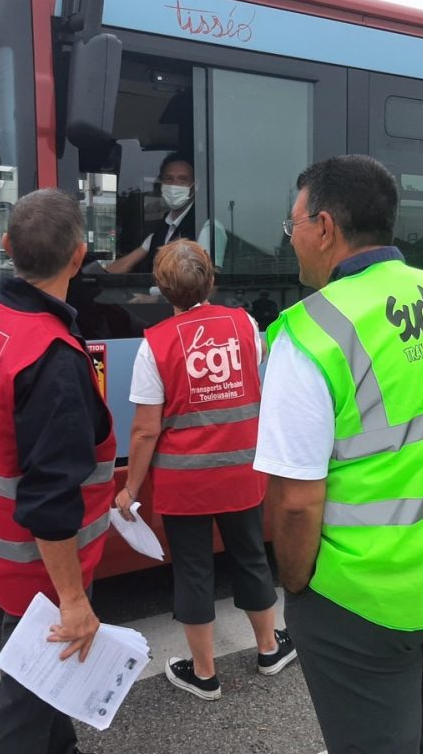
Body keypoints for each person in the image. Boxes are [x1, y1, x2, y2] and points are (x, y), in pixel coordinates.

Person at [254, 155, 423, 754]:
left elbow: (294, 501)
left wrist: (296, 584)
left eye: (292, 227)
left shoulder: (310, 333)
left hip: (365, 597)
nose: (291, 242)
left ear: (324, 227)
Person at [0, 188, 117, 754]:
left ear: (6, 248)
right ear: (80, 256)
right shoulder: (51, 357)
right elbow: (52, 499)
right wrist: (73, 600)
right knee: (26, 697)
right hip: (40, 563)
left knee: (48, 683)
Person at [113, 239, 296, 700]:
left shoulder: (153, 345)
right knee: (251, 556)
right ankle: (269, 649)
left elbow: (144, 432)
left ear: (161, 289)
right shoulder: (246, 324)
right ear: (210, 280)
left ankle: (204, 673)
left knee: (193, 571)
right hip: (242, 474)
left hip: (185, 483)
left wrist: (129, 487)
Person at [106, 152, 227, 273]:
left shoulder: (206, 227)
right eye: (169, 179)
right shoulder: (162, 229)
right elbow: (125, 264)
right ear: (161, 184)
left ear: (195, 185)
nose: (174, 185)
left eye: (182, 179)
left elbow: (208, 284)